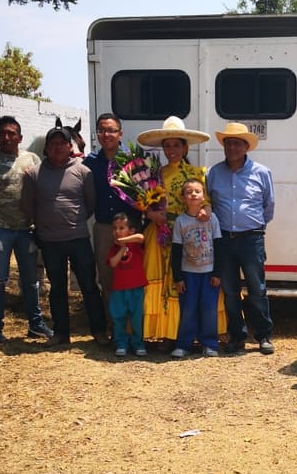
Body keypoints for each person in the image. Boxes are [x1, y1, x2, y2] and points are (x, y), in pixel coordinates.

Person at [20, 126, 108, 348]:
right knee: (57, 287)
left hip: (78, 238)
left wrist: (72, 221)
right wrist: (46, 224)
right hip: (50, 242)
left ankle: (98, 331)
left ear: (70, 147)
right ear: (47, 148)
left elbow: (90, 204)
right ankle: (61, 333)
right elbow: (28, 206)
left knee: (89, 285)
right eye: (53, 144)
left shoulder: (83, 172)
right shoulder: (34, 174)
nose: (58, 147)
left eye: (62, 143)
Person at [0, 115, 53, 346]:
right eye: (2, 134)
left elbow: (40, 192)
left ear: (20, 137)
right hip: (0, 231)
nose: (6, 138)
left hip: (26, 231)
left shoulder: (32, 159)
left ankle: (35, 324)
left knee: (31, 281)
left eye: (11, 133)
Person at [135, 116, 214, 347]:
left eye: (176, 145)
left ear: (185, 147)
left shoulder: (197, 173)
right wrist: (150, 215)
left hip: (190, 236)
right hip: (159, 235)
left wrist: (205, 210)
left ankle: (185, 334)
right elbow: (144, 203)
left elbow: (206, 200)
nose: (171, 150)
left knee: (186, 283)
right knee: (163, 282)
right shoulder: (152, 174)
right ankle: (164, 334)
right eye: (167, 145)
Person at [207, 122, 275, 355]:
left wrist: (253, 227)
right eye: (228, 143)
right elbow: (211, 205)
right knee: (231, 291)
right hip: (224, 240)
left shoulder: (262, 173)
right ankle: (237, 337)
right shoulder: (214, 173)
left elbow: (269, 207)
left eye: (237, 143)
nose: (232, 147)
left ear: (246, 146)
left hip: (251, 239)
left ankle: (264, 335)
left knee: (257, 289)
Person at [170, 178, 223, 358]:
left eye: (197, 191)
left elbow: (219, 246)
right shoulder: (180, 221)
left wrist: (218, 273)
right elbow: (176, 251)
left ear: (204, 196)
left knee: (208, 309)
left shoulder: (212, 219)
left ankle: (209, 344)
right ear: (183, 197)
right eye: (189, 192)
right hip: (188, 273)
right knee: (188, 309)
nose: (193, 194)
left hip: (208, 273)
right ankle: (184, 344)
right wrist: (178, 278)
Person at [83, 112, 125, 318]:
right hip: (103, 228)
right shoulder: (89, 163)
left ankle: (133, 327)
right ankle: (112, 324)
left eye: (111, 130)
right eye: (101, 130)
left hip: (130, 227)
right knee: (106, 275)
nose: (106, 134)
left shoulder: (133, 159)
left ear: (120, 133)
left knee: (131, 275)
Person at [108, 211, 148, 358]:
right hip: (118, 289)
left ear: (131, 230)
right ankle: (121, 343)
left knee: (137, 318)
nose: (117, 232)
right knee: (119, 317)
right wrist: (121, 248)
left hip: (136, 288)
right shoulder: (114, 248)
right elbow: (113, 263)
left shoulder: (136, 244)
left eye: (121, 228)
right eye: (115, 229)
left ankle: (138, 344)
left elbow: (141, 237)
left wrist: (124, 241)